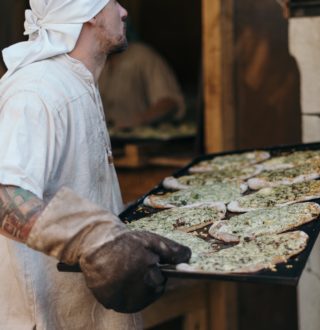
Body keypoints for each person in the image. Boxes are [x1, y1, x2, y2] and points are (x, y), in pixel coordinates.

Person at [0, 0, 191, 328]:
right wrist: (95, 241)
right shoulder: (37, 92)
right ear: (87, 13)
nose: (124, 12)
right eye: (114, 3)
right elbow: (5, 197)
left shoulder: (74, 83)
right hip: (48, 319)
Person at [99, 40, 186, 129]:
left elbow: (170, 102)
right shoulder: (95, 62)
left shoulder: (142, 56)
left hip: (143, 138)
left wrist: (139, 120)